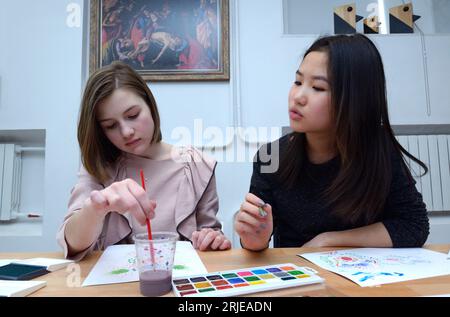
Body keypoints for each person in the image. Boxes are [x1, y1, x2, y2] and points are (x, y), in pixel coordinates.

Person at [235, 34, 430, 251]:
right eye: (298, 81)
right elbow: (256, 238)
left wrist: (329, 240)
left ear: (355, 98)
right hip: (300, 276)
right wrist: (254, 239)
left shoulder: (378, 150)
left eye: (317, 87)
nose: (298, 96)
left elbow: (414, 225)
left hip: (365, 279)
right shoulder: (270, 158)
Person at [57, 61, 231, 261]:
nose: (126, 132)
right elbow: (71, 242)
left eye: (133, 115)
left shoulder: (198, 166)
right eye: (111, 125)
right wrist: (96, 208)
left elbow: (210, 237)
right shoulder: (98, 167)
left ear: (150, 104)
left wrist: (212, 239)